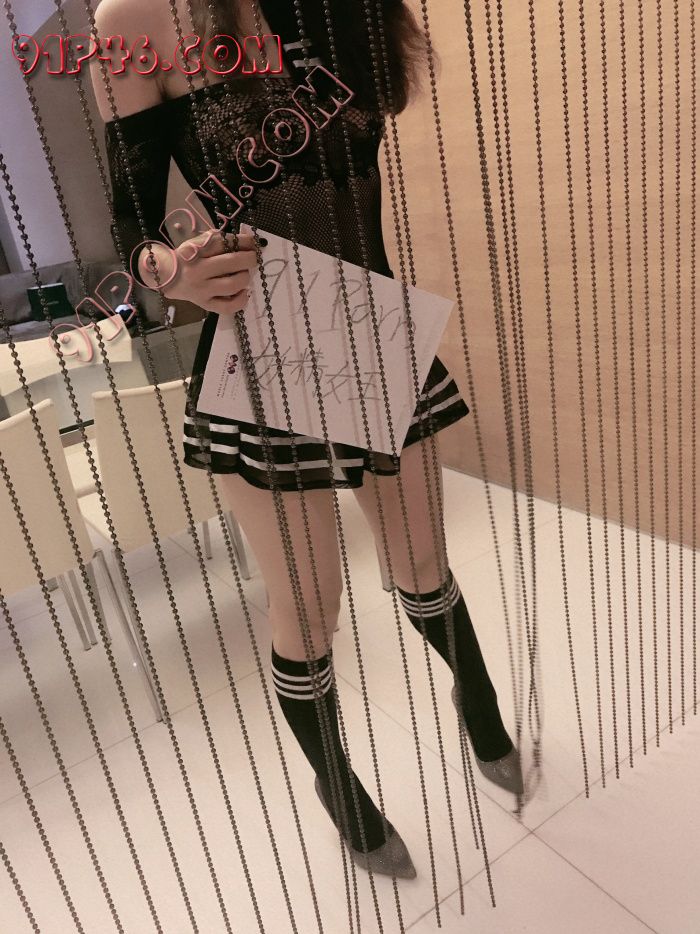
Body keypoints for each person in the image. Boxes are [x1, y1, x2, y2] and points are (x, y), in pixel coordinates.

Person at [91, 0, 523, 881]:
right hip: (258, 341)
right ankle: (337, 782)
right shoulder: (135, 15)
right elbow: (134, 223)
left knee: (422, 562)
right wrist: (172, 271)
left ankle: (474, 693)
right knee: (310, 603)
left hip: (367, 322)